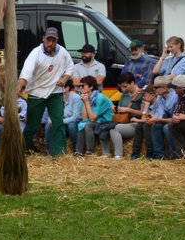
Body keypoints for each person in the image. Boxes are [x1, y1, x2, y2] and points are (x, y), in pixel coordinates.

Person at [17, 27, 73, 157]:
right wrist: (20, 85)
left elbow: (70, 67)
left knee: (58, 122)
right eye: (48, 40)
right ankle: (24, 149)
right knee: (32, 125)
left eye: (53, 41)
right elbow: (26, 72)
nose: (51, 43)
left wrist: (64, 79)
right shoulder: (35, 53)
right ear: (43, 38)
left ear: (57, 41)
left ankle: (58, 153)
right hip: (37, 93)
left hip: (55, 93)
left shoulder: (63, 52)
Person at [106, 72, 146, 159]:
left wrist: (128, 110)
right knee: (109, 127)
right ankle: (108, 153)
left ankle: (118, 155)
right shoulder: (124, 95)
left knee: (114, 129)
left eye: (125, 86)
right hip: (123, 121)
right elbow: (121, 108)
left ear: (132, 83)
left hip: (136, 122)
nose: (124, 88)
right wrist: (116, 108)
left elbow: (143, 113)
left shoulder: (141, 94)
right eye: (122, 86)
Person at [73, 76, 113, 156]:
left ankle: (90, 151)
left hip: (107, 122)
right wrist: (85, 102)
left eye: (83, 86)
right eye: (79, 86)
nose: (80, 88)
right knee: (81, 124)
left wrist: (87, 102)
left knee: (88, 125)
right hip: (97, 121)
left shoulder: (100, 97)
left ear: (91, 87)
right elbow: (84, 119)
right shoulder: (87, 97)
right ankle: (79, 152)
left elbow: (92, 118)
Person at [142, 75, 178, 159]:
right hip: (169, 119)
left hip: (178, 120)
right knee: (155, 126)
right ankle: (159, 155)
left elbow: (175, 117)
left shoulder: (174, 97)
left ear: (165, 88)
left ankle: (175, 155)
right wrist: (153, 118)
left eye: (156, 87)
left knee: (167, 128)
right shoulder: (161, 98)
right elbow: (160, 115)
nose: (154, 89)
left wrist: (158, 119)